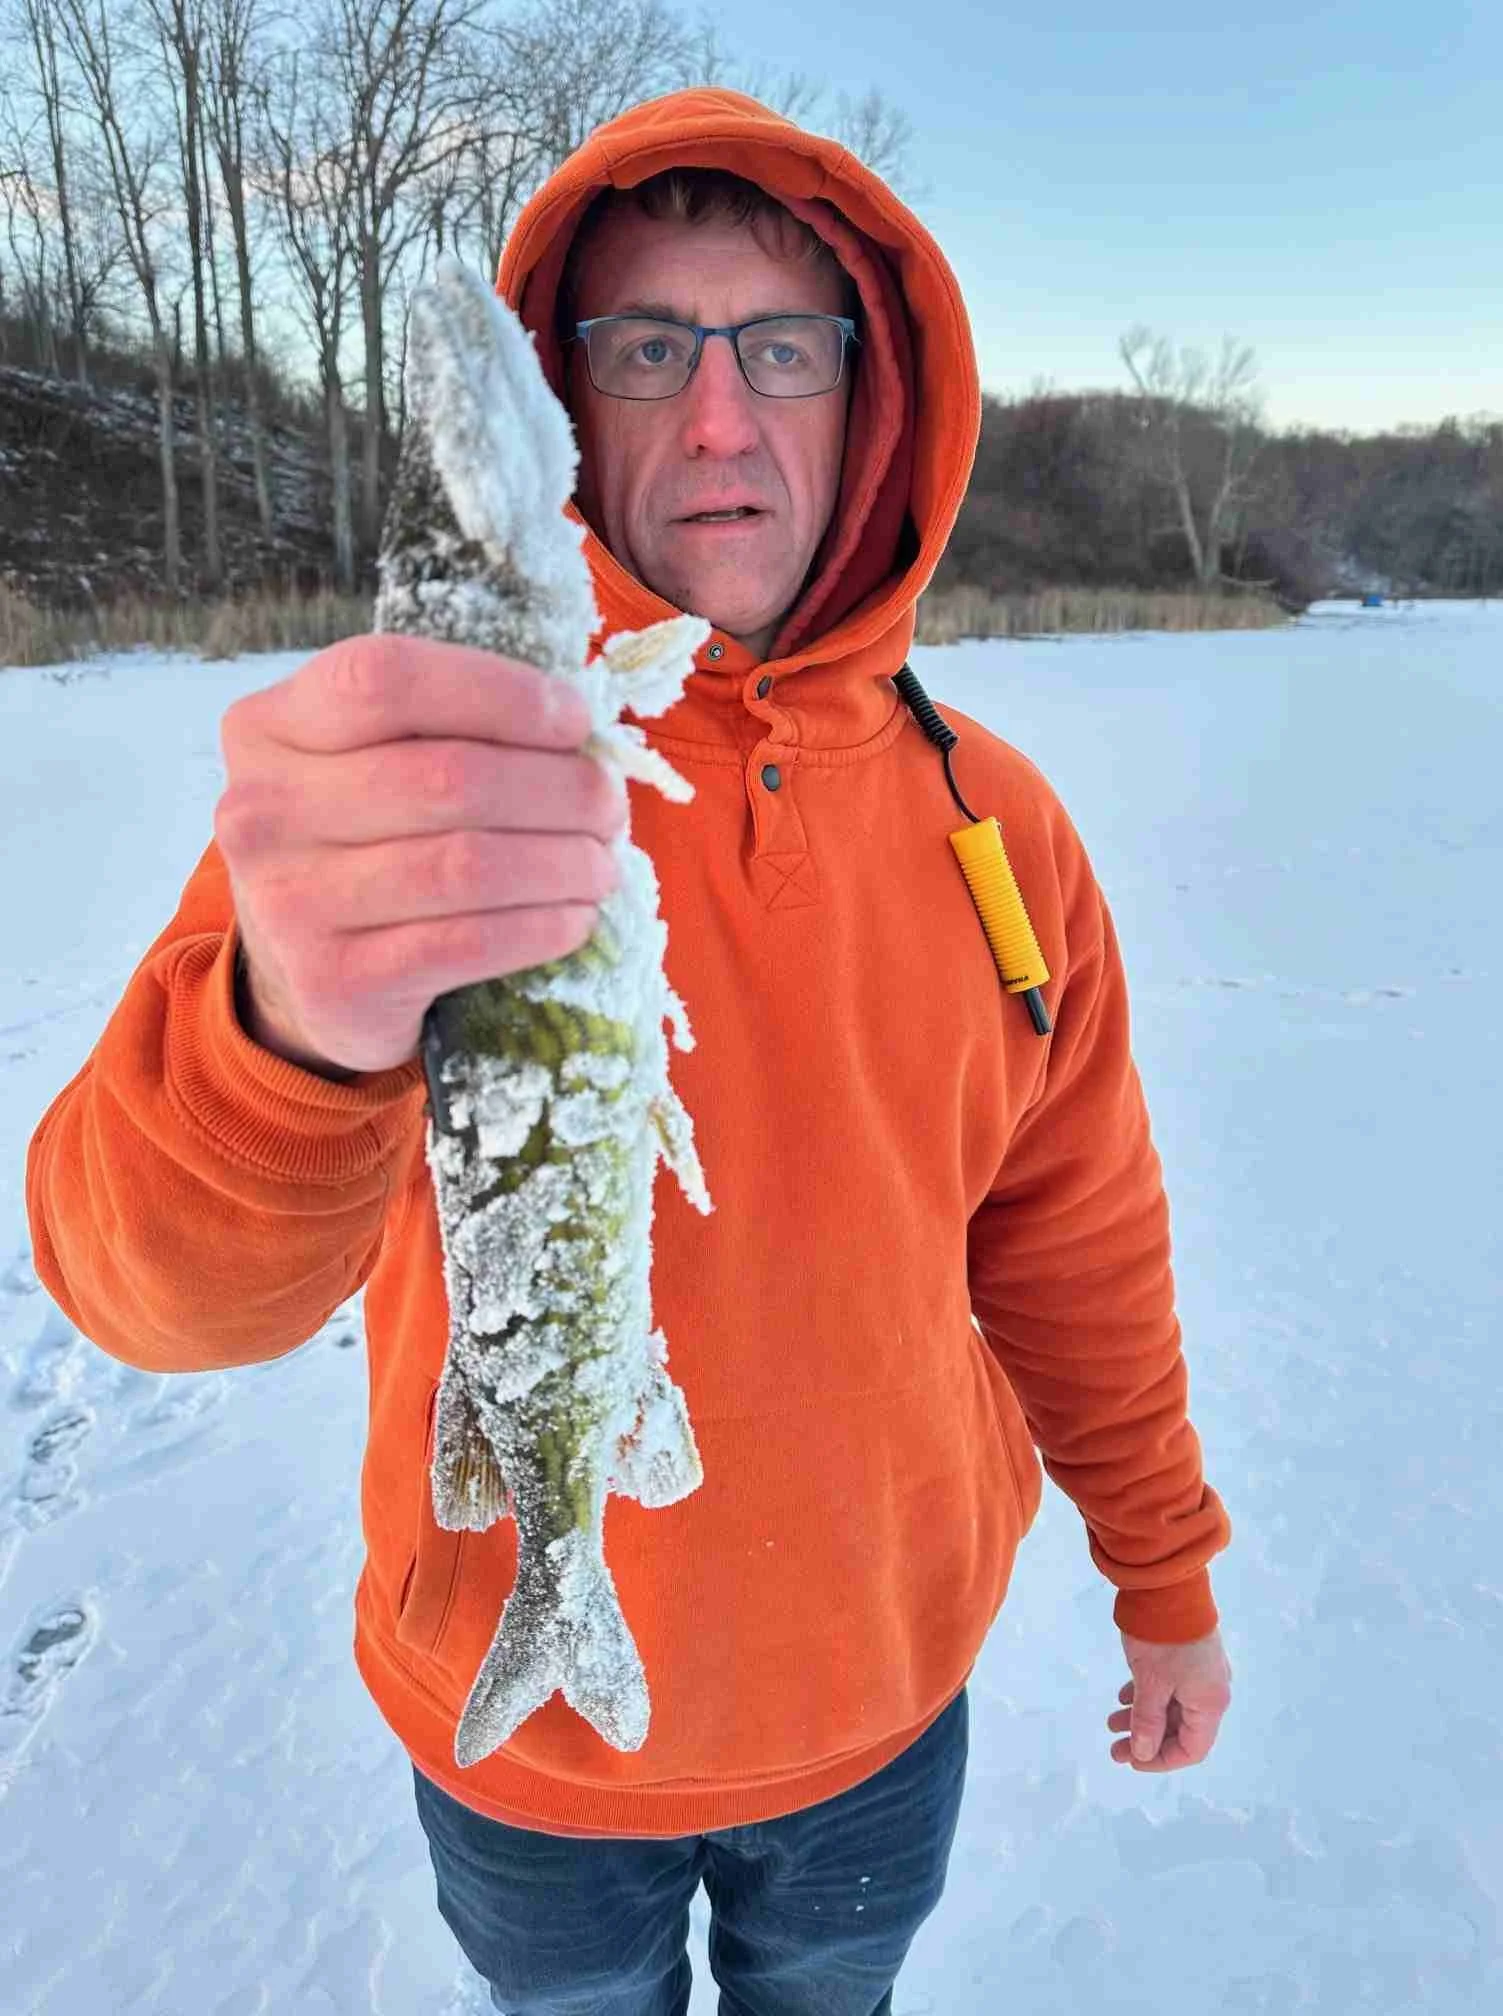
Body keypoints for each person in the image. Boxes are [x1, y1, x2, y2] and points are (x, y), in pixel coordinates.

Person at [25, 87, 1232, 2016]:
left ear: (879, 400)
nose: (723, 417)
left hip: (876, 1721)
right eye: (650, 348)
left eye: (785, 349)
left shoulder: (998, 825)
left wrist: (1162, 1576)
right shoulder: (436, 776)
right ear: (563, 402)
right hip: (525, 1753)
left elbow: (1074, 1243)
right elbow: (147, 1289)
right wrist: (291, 1031)